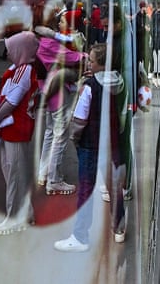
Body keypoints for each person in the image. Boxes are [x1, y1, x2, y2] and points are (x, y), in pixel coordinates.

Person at [55, 42, 129, 252]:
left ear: (101, 64)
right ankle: (119, 228)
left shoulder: (89, 86)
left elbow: (80, 119)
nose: (90, 63)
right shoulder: (121, 83)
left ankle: (80, 236)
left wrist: (74, 138)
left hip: (90, 143)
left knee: (86, 190)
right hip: (112, 142)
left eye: (93, 61)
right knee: (115, 187)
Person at [0, 30, 40, 235]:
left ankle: (14, 218)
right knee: (14, 172)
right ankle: (26, 213)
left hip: (15, 128)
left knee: (14, 174)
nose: (8, 52)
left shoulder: (23, 71)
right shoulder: (23, 69)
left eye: (11, 48)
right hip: (14, 128)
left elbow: (12, 100)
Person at [35, 7, 84, 195]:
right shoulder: (50, 43)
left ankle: (44, 174)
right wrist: (88, 57)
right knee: (60, 136)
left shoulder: (42, 38)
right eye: (59, 20)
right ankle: (54, 180)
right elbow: (72, 58)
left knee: (50, 133)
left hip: (48, 92)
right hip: (58, 95)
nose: (60, 23)